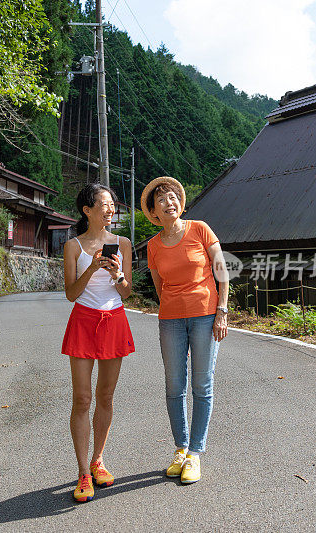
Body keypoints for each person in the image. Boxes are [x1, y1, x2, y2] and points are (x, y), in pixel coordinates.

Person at [141, 176, 228, 484]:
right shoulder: (152, 246)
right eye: (162, 200)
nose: (170, 202)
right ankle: (180, 449)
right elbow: (159, 287)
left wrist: (222, 311)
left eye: (173, 197)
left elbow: (221, 271)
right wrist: (174, 308)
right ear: (154, 211)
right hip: (171, 321)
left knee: (202, 386)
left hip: (206, 316)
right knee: (174, 386)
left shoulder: (200, 229)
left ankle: (195, 453)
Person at [61, 183, 134, 503]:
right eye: (104, 204)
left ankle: (98, 460)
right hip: (83, 320)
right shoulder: (73, 246)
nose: (110, 209)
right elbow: (71, 294)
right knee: (82, 398)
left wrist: (117, 274)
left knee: (105, 396)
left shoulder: (123, 243)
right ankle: (82, 472)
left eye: (112, 204)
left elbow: (127, 292)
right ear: (87, 210)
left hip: (114, 320)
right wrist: (91, 267)